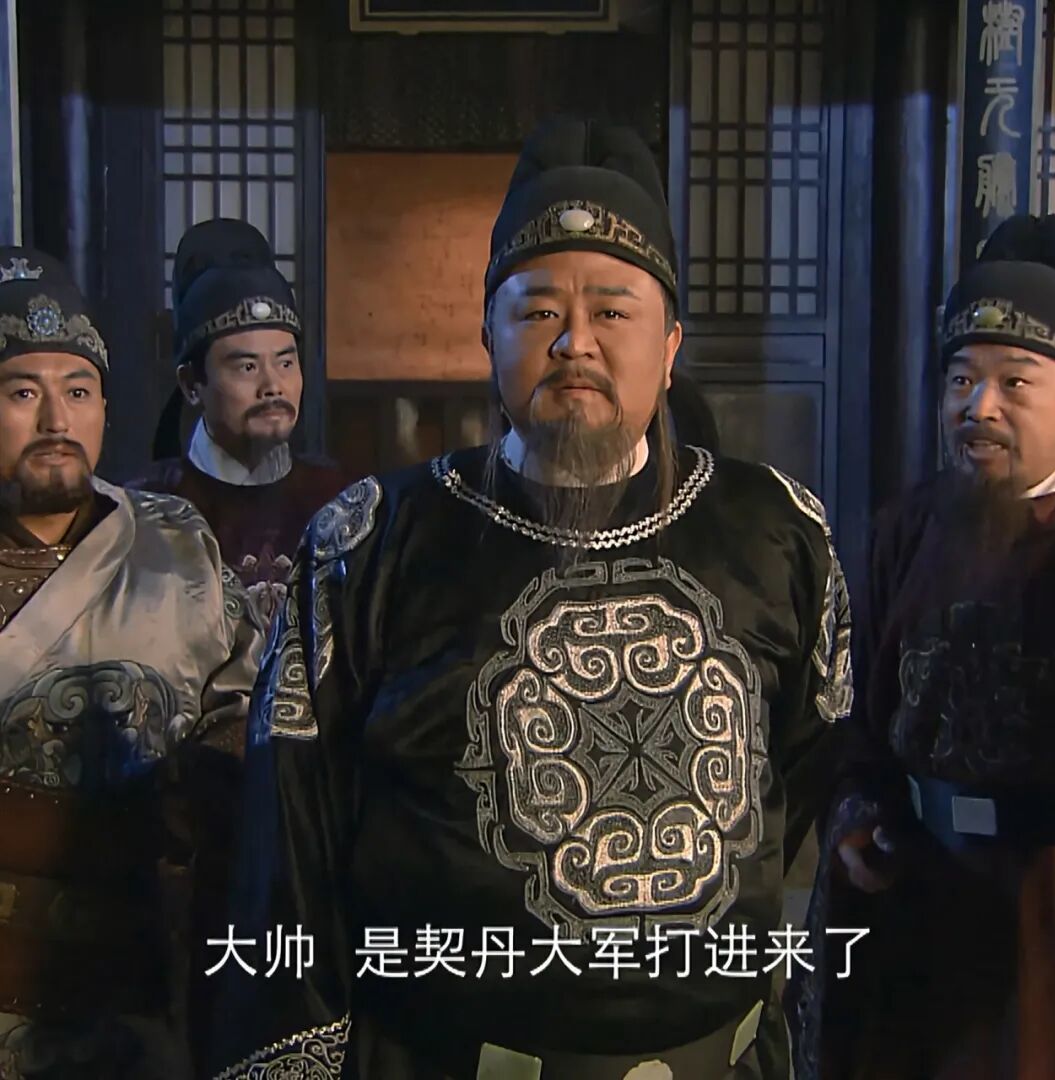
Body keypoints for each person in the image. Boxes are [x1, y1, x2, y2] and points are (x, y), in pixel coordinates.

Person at [211, 118, 851, 1080]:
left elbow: (805, 776)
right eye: (539, 310)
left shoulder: (779, 531)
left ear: (671, 346)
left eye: (614, 312)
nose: (574, 343)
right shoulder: (372, 540)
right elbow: (288, 841)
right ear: (488, 336)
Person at [789, 214, 1055, 1079]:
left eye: (1013, 382)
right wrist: (857, 815)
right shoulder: (907, 529)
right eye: (961, 379)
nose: (978, 407)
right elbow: (854, 716)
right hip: (917, 882)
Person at [0, 247, 263, 1078]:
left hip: (143, 991)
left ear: (106, 409)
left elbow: (251, 722)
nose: (56, 418)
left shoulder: (175, 548)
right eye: (22, 393)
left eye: (78, 391)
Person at [132, 219, 350, 627]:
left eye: (285, 363)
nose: (273, 386)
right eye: (247, 366)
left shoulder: (339, 499)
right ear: (192, 384)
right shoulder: (145, 512)